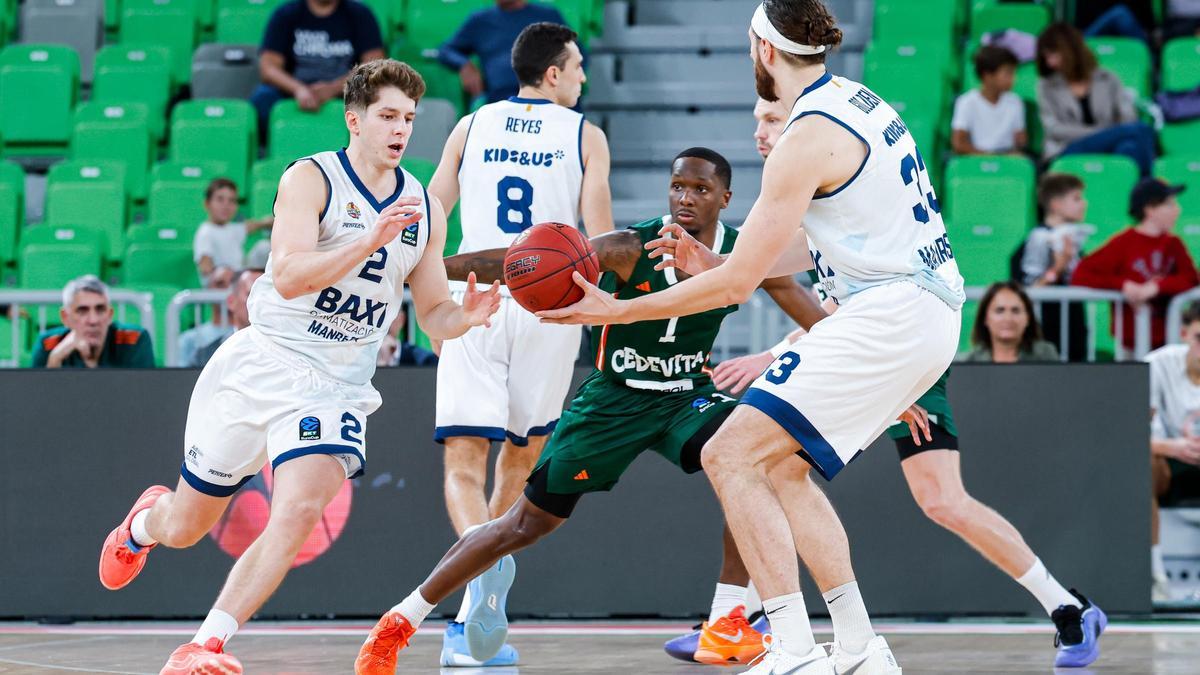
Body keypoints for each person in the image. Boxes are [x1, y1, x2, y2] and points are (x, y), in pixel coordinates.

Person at [541, 1, 1104, 671]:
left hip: (890, 312)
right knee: (781, 465)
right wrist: (725, 261)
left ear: (764, 51)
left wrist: (615, 311)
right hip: (919, 308)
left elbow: (735, 289)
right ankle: (860, 644)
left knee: (729, 454)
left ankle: (794, 648)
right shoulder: (860, 99)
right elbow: (819, 240)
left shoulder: (804, 136)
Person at [354, 146, 831, 674]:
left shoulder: (745, 255)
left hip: (685, 397)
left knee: (757, 462)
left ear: (726, 197)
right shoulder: (631, 246)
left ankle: (726, 622)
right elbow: (517, 264)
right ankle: (400, 620)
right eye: (677, 186)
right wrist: (421, 267)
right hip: (613, 400)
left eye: (699, 189)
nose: (685, 197)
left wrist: (883, 383)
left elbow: (820, 324)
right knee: (521, 526)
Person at [96, 59, 501, 674]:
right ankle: (143, 525)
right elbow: (285, 277)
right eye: (388, 116)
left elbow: (431, 314)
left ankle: (202, 646)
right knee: (184, 526)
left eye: (410, 119)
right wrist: (367, 239)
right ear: (355, 120)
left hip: (335, 385)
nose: (400, 130)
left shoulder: (424, 207)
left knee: (299, 512)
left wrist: (464, 317)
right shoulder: (311, 180)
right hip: (264, 362)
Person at [664, 98, 1098, 670]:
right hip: (876, 342)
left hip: (896, 344)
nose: (761, 133)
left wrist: (780, 355)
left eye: (772, 119)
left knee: (931, 497)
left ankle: (1065, 606)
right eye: (757, 122)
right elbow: (818, 299)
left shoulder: (835, 170)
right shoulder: (808, 194)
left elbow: (847, 309)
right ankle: (769, 623)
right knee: (775, 464)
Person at [423, 21, 613, 668]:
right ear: (553, 74)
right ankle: (485, 580)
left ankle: (476, 578)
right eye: (578, 66)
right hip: (550, 306)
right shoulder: (586, 134)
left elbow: (430, 215)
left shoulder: (469, 127)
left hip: (479, 294)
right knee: (522, 456)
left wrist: (426, 292)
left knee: (461, 459)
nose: (584, 76)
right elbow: (602, 240)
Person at [1072, 177, 1196, 354]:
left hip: (1168, 340)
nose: (1177, 209)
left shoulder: (1174, 244)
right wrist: (1124, 285)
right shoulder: (1124, 243)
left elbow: (1191, 278)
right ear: (1150, 209)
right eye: (1169, 204)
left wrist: (1157, 287)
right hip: (1131, 342)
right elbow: (1082, 275)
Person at [1035, 22, 1156, 176]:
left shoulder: (1107, 78)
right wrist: (1101, 133)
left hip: (1108, 144)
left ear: (1071, 52)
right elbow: (1054, 129)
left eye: (1053, 55)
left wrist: (1108, 136)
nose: (1049, 63)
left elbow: (1128, 117)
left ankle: (1134, 194)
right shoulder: (1046, 86)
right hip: (1066, 148)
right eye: (1046, 57)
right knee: (1141, 129)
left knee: (1128, 149)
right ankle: (1151, 191)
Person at [250, 0, 386, 133]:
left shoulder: (360, 14)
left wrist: (333, 88)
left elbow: (374, 66)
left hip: (346, 90)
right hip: (292, 90)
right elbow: (268, 68)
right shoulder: (285, 14)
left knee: (378, 101)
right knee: (263, 99)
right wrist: (299, 89)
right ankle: (265, 152)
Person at [1146, 301, 1200, 602]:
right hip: (1167, 463)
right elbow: (1127, 435)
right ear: (1184, 334)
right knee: (1141, 463)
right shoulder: (1157, 365)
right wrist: (1172, 447)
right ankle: (1155, 578)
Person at [438, 0, 570, 106]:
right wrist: (464, 65)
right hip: (500, 101)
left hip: (545, 100)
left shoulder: (547, 16)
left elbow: (575, 54)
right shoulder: (480, 20)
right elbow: (446, 50)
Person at [1017, 173, 1091, 360]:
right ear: (1056, 204)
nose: (1083, 204)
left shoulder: (1072, 238)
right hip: (1046, 334)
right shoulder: (1039, 238)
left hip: (1073, 332)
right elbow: (1029, 290)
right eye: (1076, 198)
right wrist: (1057, 268)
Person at [32, 275, 154, 369]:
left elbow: (146, 393)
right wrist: (55, 359)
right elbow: (35, 398)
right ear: (65, 317)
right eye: (82, 311)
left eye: (100, 310)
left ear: (110, 315)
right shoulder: (49, 344)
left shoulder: (134, 339)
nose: (93, 320)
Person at [195, 179, 272, 288]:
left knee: (264, 247)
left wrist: (272, 221)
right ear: (207, 204)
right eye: (220, 199)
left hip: (240, 277)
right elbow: (205, 265)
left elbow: (254, 225)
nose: (226, 206)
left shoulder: (232, 228)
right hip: (224, 285)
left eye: (231, 201)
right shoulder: (206, 232)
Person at [951, 45, 1027, 155]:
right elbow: (958, 144)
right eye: (1007, 73)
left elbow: (1020, 141)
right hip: (976, 159)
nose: (1013, 78)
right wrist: (989, 157)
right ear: (988, 75)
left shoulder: (1015, 102)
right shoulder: (966, 102)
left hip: (1007, 158)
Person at [181, 269, 265, 368]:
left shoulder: (284, 349)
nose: (261, 301)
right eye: (251, 294)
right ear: (231, 301)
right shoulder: (204, 357)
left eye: (266, 295)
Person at [960, 281, 1061, 362]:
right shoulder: (969, 361)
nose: (1008, 318)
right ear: (985, 318)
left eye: (1015, 310)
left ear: (1028, 318)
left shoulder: (1045, 355)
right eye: (999, 310)